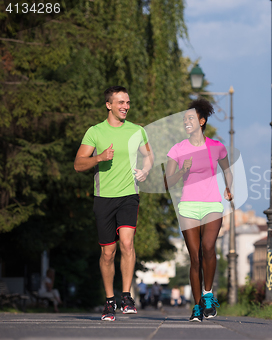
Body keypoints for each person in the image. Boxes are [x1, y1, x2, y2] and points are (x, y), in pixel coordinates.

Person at [74, 86, 154, 322]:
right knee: (108, 253)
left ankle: (126, 296)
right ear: (109, 105)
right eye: (120, 102)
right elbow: (78, 164)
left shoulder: (138, 131)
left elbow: (149, 156)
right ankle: (110, 301)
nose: (125, 107)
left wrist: (146, 170)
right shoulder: (95, 132)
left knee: (127, 243)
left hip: (129, 195)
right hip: (104, 198)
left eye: (128, 102)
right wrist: (99, 157)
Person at [164, 98, 233, 322]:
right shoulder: (178, 149)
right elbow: (168, 182)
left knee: (208, 247)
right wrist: (182, 170)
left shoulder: (217, 147)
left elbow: (227, 170)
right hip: (188, 207)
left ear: (202, 121)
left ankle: (208, 294)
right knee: (195, 258)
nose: (186, 122)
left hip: (212, 204)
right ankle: (196, 307)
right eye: (184, 119)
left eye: (190, 118)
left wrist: (229, 188)